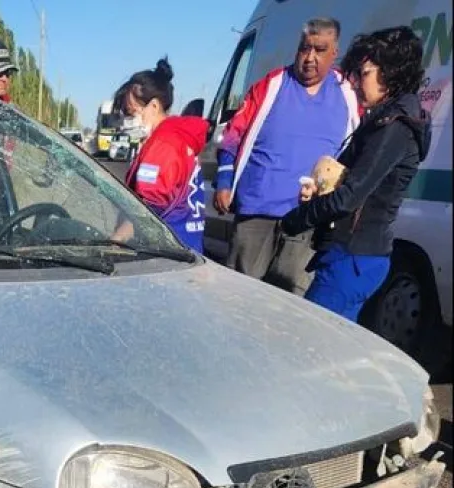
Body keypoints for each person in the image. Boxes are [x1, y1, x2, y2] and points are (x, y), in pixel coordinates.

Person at [281, 26, 430, 322]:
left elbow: (350, 197)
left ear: (391, 72)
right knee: (331, 350)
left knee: (310, 339)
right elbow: (349, 179)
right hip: (353, 255)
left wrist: (297, 219)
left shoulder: (394, 127)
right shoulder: (383, 119)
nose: (356, 84)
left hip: (353, 257)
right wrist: (318, 190)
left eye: (364, 74)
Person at [214, 17, 360, 294]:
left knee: (290, 302)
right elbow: (231, 136)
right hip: (257, 211)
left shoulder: (347, 95)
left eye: (319, 50)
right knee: (236, 294)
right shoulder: (270, 85)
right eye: (304, 48)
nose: (309, 58)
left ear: (334, 53)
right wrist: (224, 182)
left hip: (307, 219)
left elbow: (356, 152)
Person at [111, 59, 209, 253]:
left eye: (131, 112)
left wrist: (117, 240)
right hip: (187, 243)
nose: (128, 120)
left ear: (154, 106)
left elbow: (149, 209)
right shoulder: (178, 138)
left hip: (165, 250)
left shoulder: (163, 144)